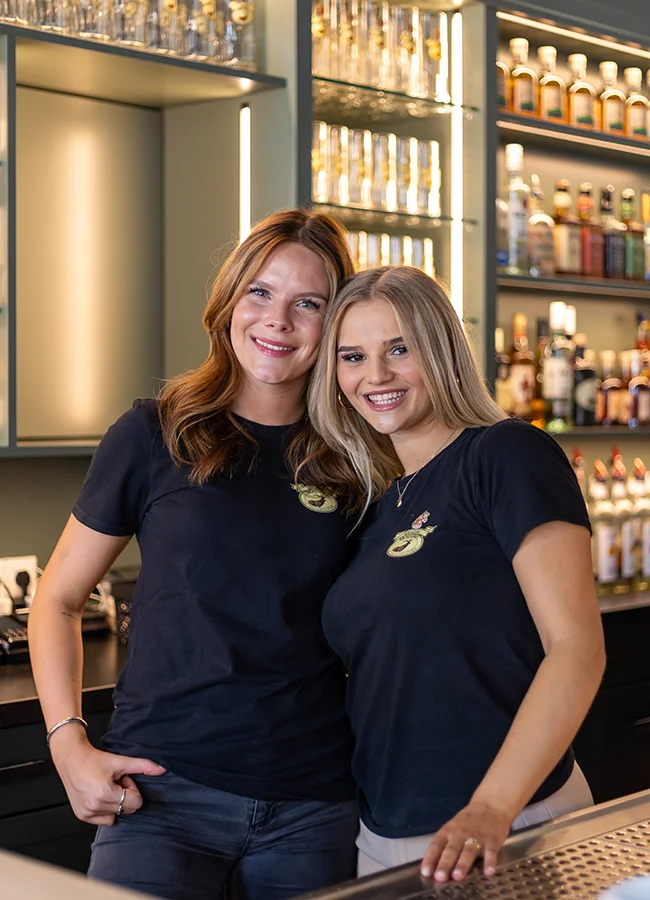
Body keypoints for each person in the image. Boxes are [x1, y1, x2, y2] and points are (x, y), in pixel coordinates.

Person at [27, 209, 360, 900]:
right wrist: (68, 745)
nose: (278, 321)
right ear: (230, 301)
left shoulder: (357, 459)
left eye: (309, 303)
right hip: (157, 795)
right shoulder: (157, 432)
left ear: (336, 325)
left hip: (315, 803)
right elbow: (56, 600)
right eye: (260, 293)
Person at [303, 266, 606, 884]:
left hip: (507, 826)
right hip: (385, 836)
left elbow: (576, 649)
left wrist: (491, 809)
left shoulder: (506, 454)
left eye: (399, 348)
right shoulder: (377, 507)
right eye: (353, 356)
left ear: (440, 351)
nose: (376, 376)